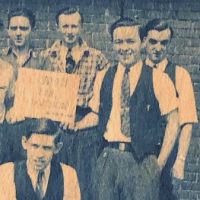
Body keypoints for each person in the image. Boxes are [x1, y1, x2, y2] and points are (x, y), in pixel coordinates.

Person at [92, 17, 179, 200]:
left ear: (143, 43)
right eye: (118, 42)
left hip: (142, 162)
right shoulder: (103, 77)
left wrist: (159, 164)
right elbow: (94, 116)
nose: (124, 48)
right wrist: (73, 124)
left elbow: (173, 122)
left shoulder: (159, 79)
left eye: (130, 41)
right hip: (108, 158)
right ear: (113, 45)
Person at [41, 7, 109, 200]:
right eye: (65, 26)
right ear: (58, 27)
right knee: (53, 179)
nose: (69, 31)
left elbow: (102, 103)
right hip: (54, 125)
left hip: (85, 127)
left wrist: (79, 123)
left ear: (81, 27)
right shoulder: (46, 57)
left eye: (74, 26)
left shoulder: (97, 59)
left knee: (84, 181)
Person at [142, 19, 198, 200]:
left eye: (163, 43)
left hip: (166, 152)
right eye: (153, 42)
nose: (158, 48)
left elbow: (187, 122)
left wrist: (180, 160)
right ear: (143, 41)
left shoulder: (180, 75)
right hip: (139, 154)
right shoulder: (136, 72)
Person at [0, 7, 49, 164]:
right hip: (4, 128)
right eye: (14, 28)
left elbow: (48, 97)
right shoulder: (1, 59)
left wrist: (25, 109)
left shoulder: (42, 61)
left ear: (32, 30)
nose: (18, 33)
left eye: (23, 28)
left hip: (31, 128)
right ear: (8, 30)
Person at [0, 118, 80, 200]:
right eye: (35, 146)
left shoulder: (68, 175)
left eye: (47, 148)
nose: (40, 155)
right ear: (24, 142)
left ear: (57, 148)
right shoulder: (7, 172)